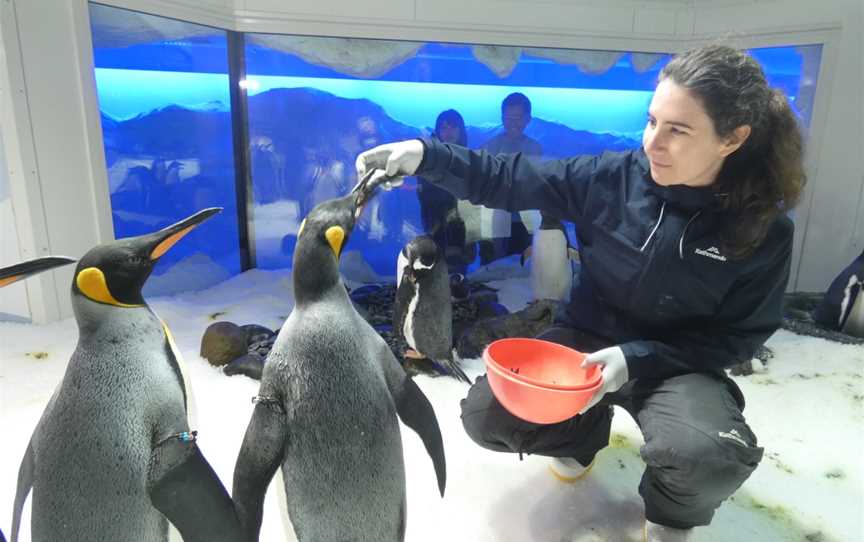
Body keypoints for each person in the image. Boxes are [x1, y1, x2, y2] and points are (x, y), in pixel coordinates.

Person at [355, 44, 806, 541]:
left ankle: (670, 513)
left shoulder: (761, 229)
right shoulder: (612, 179)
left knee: (709, 456)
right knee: (488, 413)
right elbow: (509, 178)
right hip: (587, 343)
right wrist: (426, 156)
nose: (653, 142)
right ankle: (581, 435)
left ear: (732, 139)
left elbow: (739, 339)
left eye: (678, 130)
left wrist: (636, 359)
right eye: (653, 121)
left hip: (679, 364)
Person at [480, 92, 543, 264]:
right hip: (495, 217)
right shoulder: (489, 147)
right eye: (508, 118)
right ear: (502, 117)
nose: (513, 123)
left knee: (525, 265)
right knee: (493, 264)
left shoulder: (535, 148)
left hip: (526, 218)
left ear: (528, 119)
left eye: (518, 118)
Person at [417, 110, 471, 273]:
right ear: (438, 131)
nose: (448, 132)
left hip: (464, 228)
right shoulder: (428, 160)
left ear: (461, 130)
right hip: (435, 227)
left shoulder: (471, 158)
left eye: (453, 127)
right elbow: (424, 198)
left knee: (459, 274)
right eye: (444, 128)